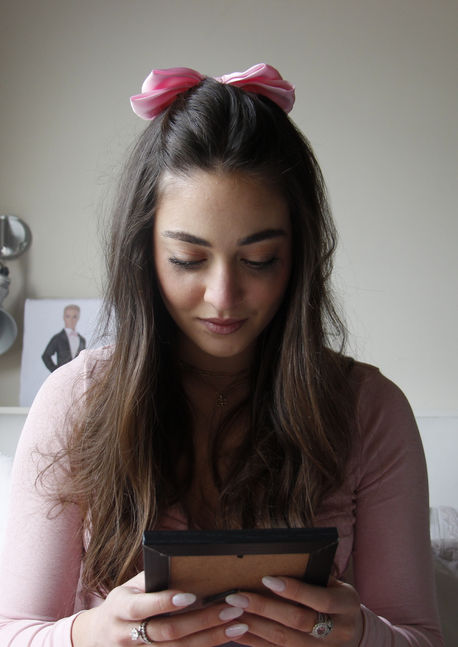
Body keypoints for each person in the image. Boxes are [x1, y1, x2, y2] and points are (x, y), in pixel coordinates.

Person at [0, 64, 444, 646]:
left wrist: (359, 635)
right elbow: (14, 631)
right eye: (188, 259)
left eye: (259, 260)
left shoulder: (370, 411)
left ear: (300, 255)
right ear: (144, 252)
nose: (223, 297)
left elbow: (421, 636)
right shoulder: (75, 400)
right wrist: (91, 635)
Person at [41, 304, 86, 372]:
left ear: (78, 318)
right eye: (68, 316)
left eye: (74, 317)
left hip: (77, 375)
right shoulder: (58, 338)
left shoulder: (82, 340)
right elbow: (46, 356)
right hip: (63, 375)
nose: (71, 320)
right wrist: (56, 371)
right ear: (64, 317)